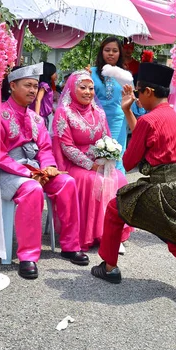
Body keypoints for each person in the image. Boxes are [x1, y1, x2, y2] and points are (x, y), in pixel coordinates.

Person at [90, 62, 176, 308]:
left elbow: (130, 160)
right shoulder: (175, 116)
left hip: (161, 189)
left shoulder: (149, 120)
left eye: (139, 92)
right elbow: (149, 139)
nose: (138, 98)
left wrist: (128, 118)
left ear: (149, 92)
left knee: (114, 208)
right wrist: (129, 112)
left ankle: (109, 267)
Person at [0, 65, 89, 279]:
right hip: (8, 171)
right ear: (12, 85)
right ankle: (28, 256)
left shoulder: (37, 119)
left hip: (37, 170)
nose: (32, 90)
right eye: (27, 85)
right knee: (32, 190)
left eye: (35, 86)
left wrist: (49, 168)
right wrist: (27, 172)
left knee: (67, 183)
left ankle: (70, 245)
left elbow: (46, 149)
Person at [51, 70, 131, 253]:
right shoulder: (64, 113)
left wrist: (106, 158)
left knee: (119, 178)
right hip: (73, 164)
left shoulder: (99, 113)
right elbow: (66, 147)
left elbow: (106, 139)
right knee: (92, 180)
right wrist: (90, 164)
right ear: (72, 88)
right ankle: (92, 234)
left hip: (98, 161)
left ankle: (112, 234)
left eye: (91, 88)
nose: (88, 92)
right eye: (83, 87)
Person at [91, 37, 128, 172]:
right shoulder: (92, 72)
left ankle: (117, 188)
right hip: (95, 119)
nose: (111, 53)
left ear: (120, 53)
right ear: (101, 52)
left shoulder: (125, 75)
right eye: (107, 50)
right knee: (96, 154)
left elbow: (130, 98)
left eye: (114, 50)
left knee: (116, 154)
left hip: (117, 120)